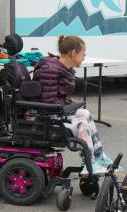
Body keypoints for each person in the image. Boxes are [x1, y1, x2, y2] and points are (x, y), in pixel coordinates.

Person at [33, 35, 114, 174]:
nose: (84, 57)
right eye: (83, 53)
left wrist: (69, 105)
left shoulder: (60, 68)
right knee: (81, 123)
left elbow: (56, 98)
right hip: (46, 117)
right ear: (73, 53)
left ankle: (99, 157)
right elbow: (48, 102)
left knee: (85, 113)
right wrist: (68, 107)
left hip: (54, 112)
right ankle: (90, 164)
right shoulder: (50, 70)